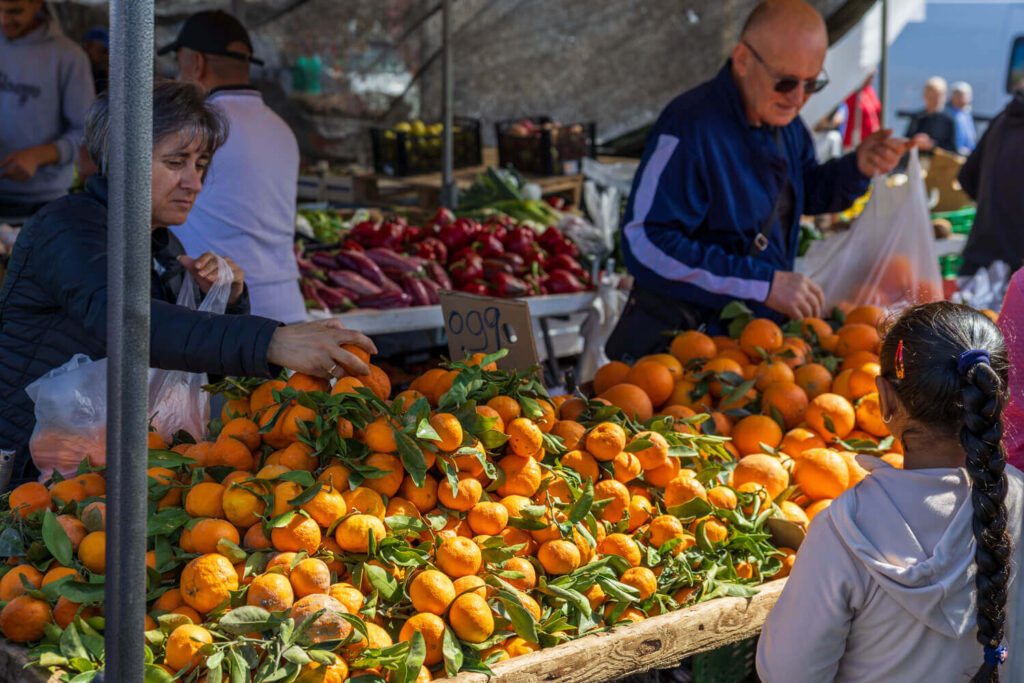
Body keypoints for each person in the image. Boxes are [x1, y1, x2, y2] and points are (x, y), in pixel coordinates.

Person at [0, 80, 375, 488]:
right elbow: (129, 323)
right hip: (30, 474)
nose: (194, 183)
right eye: (176, 162)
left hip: (107, 470)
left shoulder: (163, 246)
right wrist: (271, 341)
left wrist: (226, 301)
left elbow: (186, 364)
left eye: (200, 164)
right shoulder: (67, 227)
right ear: (123, 158)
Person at [605, 0, 908, 362]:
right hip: (682, 353)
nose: (798, 98)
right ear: (743, 59)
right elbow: (644, 240)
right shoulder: (689, 126)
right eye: (785, 82)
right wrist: (761, 284)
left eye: (812, 83)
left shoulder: (788, 125)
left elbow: (805, 191)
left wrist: (857, 167)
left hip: (755, 349)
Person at [757, 302, 1024, 683]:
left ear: (885, 399)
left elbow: (788, 674)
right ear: (1001, 400)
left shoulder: (843, 531)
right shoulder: (1017, 498)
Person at [159, 10, 306, 324]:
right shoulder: (282, 129)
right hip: (287, 304)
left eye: (179, 61)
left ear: (197, 62)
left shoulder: (194, 128)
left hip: (223, 309)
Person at [0, 0, 95, 218]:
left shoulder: (69, 57)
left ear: (37, 4)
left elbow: (87, 132)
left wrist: (38, 156)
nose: (4, 20)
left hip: (42, 202)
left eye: (15, 11)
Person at [957, 88, 1024, 277]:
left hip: (981, 256)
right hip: (1015, 266)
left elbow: (966, 176)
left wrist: (992, 206)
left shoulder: (1002, 119)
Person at [905, 77, 958, 154]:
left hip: (938, 160)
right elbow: (906, 141)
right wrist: (916, 141)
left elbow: (952, 148)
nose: (934, 101)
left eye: (937, 97)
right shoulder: (917, 117)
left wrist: (933, 144)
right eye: (930, 97)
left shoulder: (949, 119)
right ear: (924, 96)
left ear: (944, 97)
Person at [841, 72, 882, 150]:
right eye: (870, 74)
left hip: (872, 143)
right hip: (855, 144)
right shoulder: (851, 93)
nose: (872, 77)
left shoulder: (870, 91)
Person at [948, 81, 978, 156]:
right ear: (952, 96)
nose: (963, 98)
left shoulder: (967, 113)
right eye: (959, 95)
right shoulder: (947, 113)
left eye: (966, 95)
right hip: (954, 154)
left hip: (969, 153)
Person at [81, 26, 108, 94]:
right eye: (103, 51)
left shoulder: (102, 72)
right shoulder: (78, 70)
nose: (106, 56)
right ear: (89, 45)